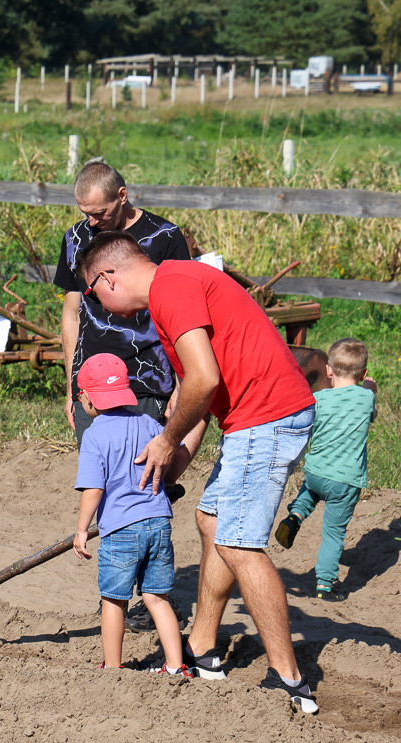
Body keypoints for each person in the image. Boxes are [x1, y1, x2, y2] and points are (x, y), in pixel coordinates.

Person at [76, 230, 319, 713]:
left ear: (108, 277)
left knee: (238, 542)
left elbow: (203, 381)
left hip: (266, 415)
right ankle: (204, 647)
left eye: (92, 293)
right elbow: (199, 396)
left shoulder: (172, 287)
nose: (100, 307)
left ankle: (290, 680)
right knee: (211, 519)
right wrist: (174, 462)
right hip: (252, 419)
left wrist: (165, 440)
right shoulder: (174, 292)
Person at [72, 352, 203, 675]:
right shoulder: (149, 424)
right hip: (158, 522)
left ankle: (114, 667)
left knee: (114, 601)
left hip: (120, 529)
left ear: (86, 398)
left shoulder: (95, 435)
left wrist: (81, 530)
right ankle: (176, 666)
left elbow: (94, 489)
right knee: (156, 597)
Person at [54, 161, 191, 446]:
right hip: (90, 387)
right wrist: (71, 387)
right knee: (97, 479)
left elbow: (183, 317)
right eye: (86, 214)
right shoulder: (75, 239)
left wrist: (182, 386)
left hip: (146, 383)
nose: (92, 222)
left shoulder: (165, 238)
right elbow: (71, 314)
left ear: (122, 196)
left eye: (100, 213)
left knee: (146, 480)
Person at [275, 338, 377, 601]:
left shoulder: (317, 399)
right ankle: (324, 585)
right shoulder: (366, 398)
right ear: (363, 373)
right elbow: (370, 400)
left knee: (310, 490)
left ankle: (295, 515)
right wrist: (370, 385)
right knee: (333, 534)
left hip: (316, 472)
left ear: (329, 370)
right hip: (345, 481)